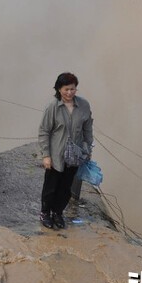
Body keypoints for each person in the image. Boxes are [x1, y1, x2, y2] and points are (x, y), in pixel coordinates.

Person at [38, 72, 93, 230]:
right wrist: (46, 155)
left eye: (72, 89)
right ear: (59, 89)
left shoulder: (83, 105)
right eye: (66, 89)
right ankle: (45, 213)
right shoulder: (52, 107)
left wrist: (88, 148)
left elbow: (87, 128)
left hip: (75, 155)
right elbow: (44, 131)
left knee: (66, 187)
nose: (69, 93)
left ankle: (58, 213)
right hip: (57, 154)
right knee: (51, 186)